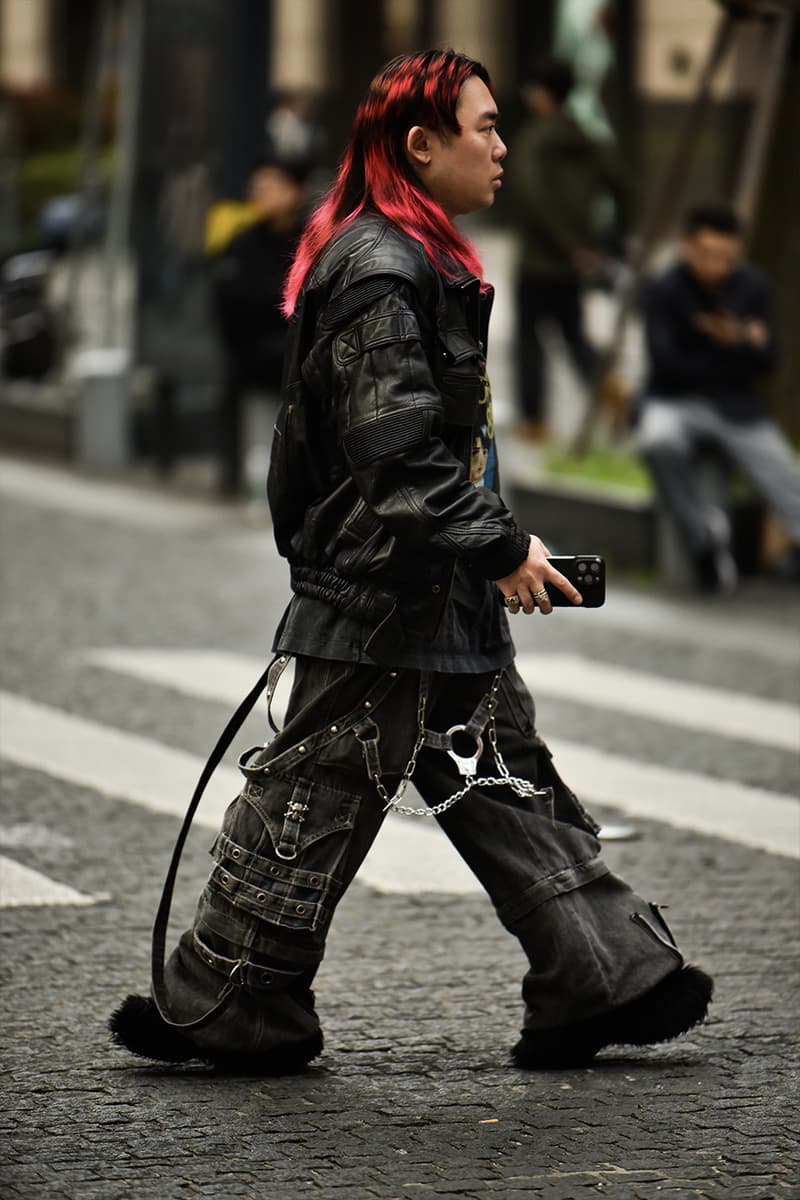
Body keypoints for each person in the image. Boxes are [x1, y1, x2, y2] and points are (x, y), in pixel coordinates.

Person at [110, 49, 712, 1075]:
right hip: (385, 585)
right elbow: (394, 458)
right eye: (480, 125)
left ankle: (254, 998)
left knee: (456, 777)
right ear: (418, 145)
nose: (500, 143)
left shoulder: (411, 260)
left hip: (407, 585)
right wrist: (499, 543)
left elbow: (418, 454)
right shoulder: (381, 266)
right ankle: (594, 972)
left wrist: (491, 548)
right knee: (342, 783)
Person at [636, 202, 800, 592]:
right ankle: (703, 541)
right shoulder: (664, 290)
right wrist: (734, 347)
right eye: (708, 255)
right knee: (657, 441)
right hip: (673, 401)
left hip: (738, 407)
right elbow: (665, 366)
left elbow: (769, 360)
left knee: (783, 473)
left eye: (727, 257)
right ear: (686, 246)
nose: (718, 266)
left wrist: (734, 341)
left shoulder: (752, 285)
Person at [508, 56, 628, 441]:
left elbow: (531, 196)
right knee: (573, 334)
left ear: (543, 95)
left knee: (529, 340)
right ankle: (608, 388)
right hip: (576, 261)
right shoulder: (587, 138)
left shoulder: (534, 140)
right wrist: (607, 240)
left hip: (540, 260)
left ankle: (535, 421)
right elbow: (625, 188)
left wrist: (566, 245)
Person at [209, 159, 306, 496]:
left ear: (293, 191)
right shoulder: (243, 243)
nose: (258, 195)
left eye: (269, 187)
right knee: (257, 449)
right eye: (256, 188)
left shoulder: (311, 241)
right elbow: (228, 302)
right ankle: (244, 484)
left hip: (299, 366)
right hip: (251, 362)